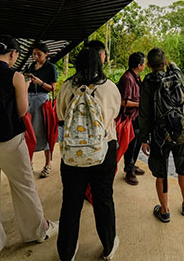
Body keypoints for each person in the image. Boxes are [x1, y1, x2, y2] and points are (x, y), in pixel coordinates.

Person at [0, 35, 58, 261]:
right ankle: (37, 231)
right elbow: (21, 111)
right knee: (24, 186)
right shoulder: (15, 76)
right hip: (7, 138)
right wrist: (24, 88)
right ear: (14, 54)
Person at [55, 48, 121, 261]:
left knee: (71, 202)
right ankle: (109, 247)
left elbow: (60, 116)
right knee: (103, 198)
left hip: (73, 152)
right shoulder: (110, 88)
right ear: (99, 64)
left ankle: (66, 252)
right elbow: (115, 115)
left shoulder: (66, 87)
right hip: (104, 149)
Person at [139, 48, 184, 223]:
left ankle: (164, 211)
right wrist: (169, 63)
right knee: (183, 169)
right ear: (164, 63)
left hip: (158, 136)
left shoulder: (147, 82)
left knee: (161, 174)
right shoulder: (175, 76)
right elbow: (175, 67)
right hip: (179, 131)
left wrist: (144, 139)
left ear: (148, 66)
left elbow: (144, 114)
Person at [24, 41, 58, 178]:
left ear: (46, 54)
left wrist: (40, 82)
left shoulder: (51, 67)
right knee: (28, 131)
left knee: (45, 130)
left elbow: (53, 88)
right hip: (29, 99)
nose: (35, 56)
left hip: (42, 101)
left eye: (39, 54)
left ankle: (47, 164)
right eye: (34, 54)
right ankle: (29, 163)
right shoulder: (30, 66)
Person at [118, 52, 146, 185]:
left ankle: (132, 164)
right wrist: (139, 104)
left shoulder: (136, 76)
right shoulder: (127, 78)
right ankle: (129, 170)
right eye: (144, 63)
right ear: (139, 65)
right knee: (130, 144)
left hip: (137, 116)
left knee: (137, 142)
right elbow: (123, 102)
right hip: (129, 117)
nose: (145, 65)